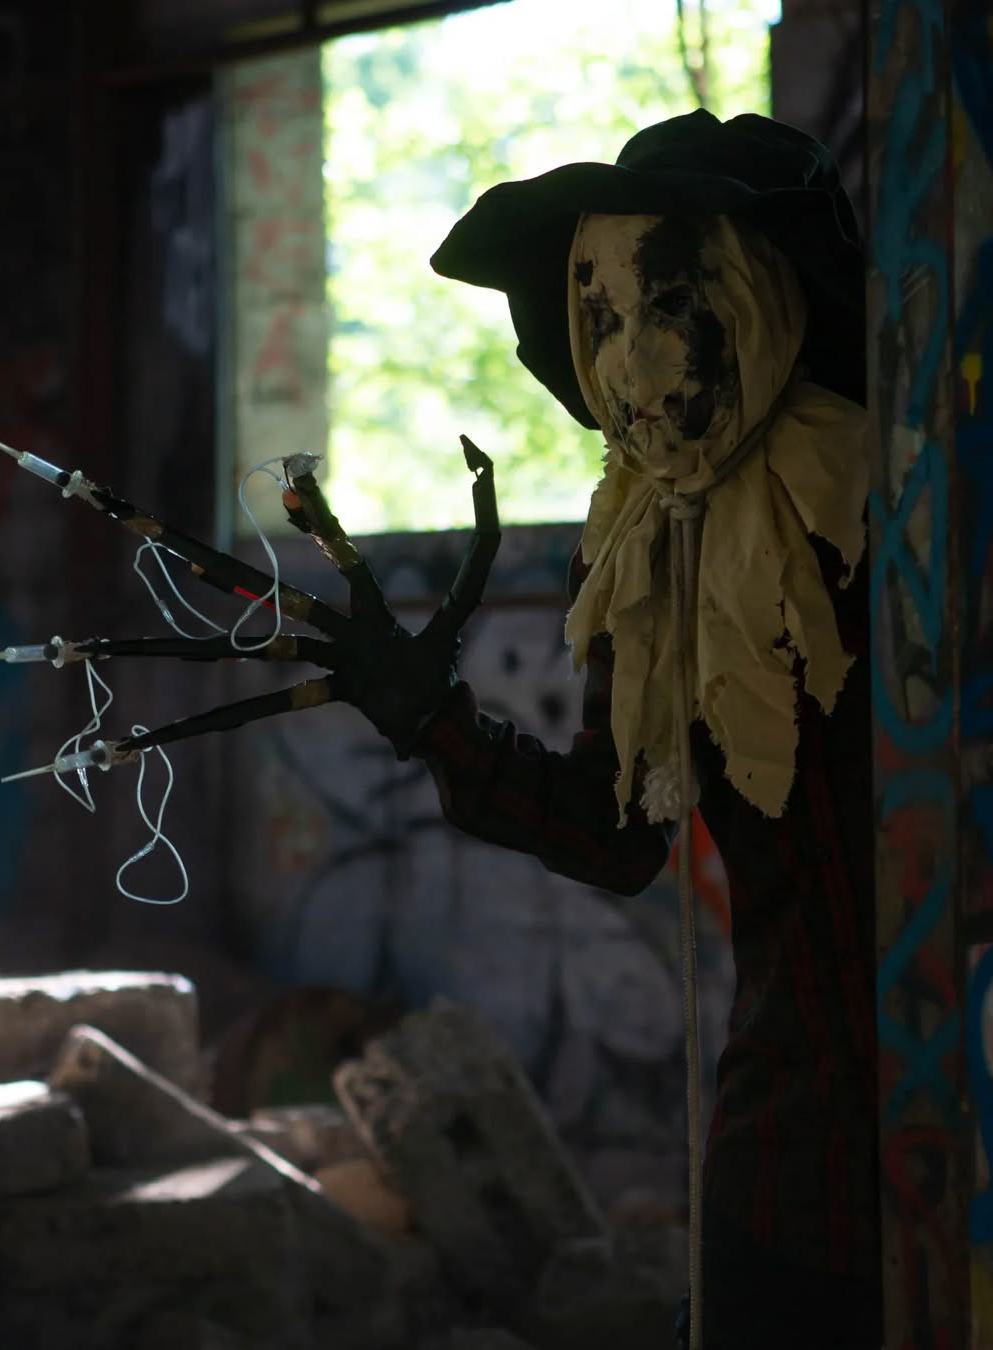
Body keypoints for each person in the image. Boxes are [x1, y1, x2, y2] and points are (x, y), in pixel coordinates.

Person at [280, 109, 881, 1349]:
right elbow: (617, 835)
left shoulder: (907, 502)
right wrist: (435, 722)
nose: (633, 365)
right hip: (793, 1146)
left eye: (673, 305)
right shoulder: (645, 550)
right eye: (599, 319)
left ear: (763, 294)